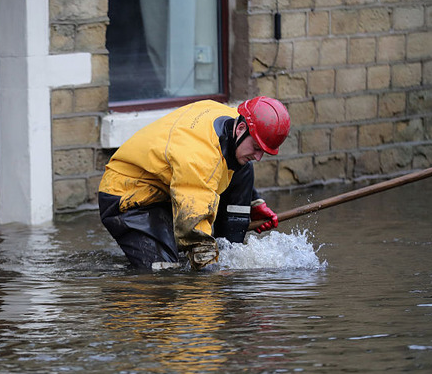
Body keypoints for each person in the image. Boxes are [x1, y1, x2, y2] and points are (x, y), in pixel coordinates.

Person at [98, 96, 290, 271]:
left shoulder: (235, 120)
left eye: (264, 151)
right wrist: (212, 275)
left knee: (243, 163)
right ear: (240, 129)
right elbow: (195, 230)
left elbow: (229, 170)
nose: (259, 157)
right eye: (257, 148)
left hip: (168, 185)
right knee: (164, 272)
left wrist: (251, 203)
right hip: (129, 196)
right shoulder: (199, 157)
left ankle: (229, 249)